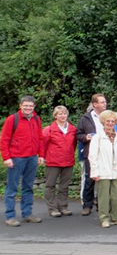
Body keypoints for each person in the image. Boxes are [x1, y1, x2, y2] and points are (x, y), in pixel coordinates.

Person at [2, 96, 43, 226]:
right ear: (20, 105)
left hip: (32, 157)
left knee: (28, 187)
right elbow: (4, 139)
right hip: (16, 158)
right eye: (25, 106)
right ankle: (10, 216)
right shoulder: (13, 119)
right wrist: (6, 157)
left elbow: (40, 138)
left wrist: (41, 155)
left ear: (34, 107)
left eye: (30, 106)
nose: (28, 108)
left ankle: (27, 214)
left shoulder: (36, 119)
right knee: (12, 188)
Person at [88, 110, 117, 228]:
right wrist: (95, 172)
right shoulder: (98, 137)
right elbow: (92, 156)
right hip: (102, 172)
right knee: (103, 197)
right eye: (108, 121)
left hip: (116, 172)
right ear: (103, 122)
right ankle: (104, 218)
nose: (110, 123)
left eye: (113, 121)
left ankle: (115, 218)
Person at [40, 106, 77, 217]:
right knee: (50, 185)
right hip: (53, 162)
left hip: (68, 161)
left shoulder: (72, 129)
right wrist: (42, 156)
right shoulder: (48, 129)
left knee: (64, 186)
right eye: (60, 114)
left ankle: (63, 207)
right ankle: (52, 208)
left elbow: (73, 145)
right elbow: (43, 145)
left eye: (64, 113)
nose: (62, 116)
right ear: (55, 116)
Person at [75, 93, 107, 216]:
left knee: (104, 179)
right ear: (95, 104)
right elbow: (78, 134)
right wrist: (86, 137)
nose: (105, 104)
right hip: (91, 152)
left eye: (105, 102)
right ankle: (87, 205)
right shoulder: (86, 118)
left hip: (106, 152)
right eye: (102, 102)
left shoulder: (108, 116)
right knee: (90, 178)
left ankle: (102, 204)